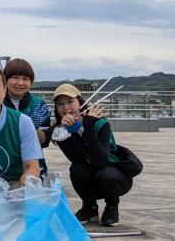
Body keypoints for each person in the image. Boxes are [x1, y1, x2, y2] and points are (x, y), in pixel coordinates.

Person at [52, 84, 131, 227]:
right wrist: (66, 134)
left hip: (114, 174)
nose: (65, 107)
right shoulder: (60, 129)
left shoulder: (100, 123)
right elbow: (78, 159)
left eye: (70, 101)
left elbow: (101, 161)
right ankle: (90, 208)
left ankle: (112, 207)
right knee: (77, 170)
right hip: (91, 174)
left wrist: (88, 126)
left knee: (104, 174)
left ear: (80, 102)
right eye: (60, 104)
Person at [3, 58, 52, 176]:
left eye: (25, 79)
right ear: (5, 80)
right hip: (4, 160)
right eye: (15, 77)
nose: (20, 83)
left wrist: (31, 126)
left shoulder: (38, 104)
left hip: (33, 163)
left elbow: (44, 141)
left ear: (31, 82)